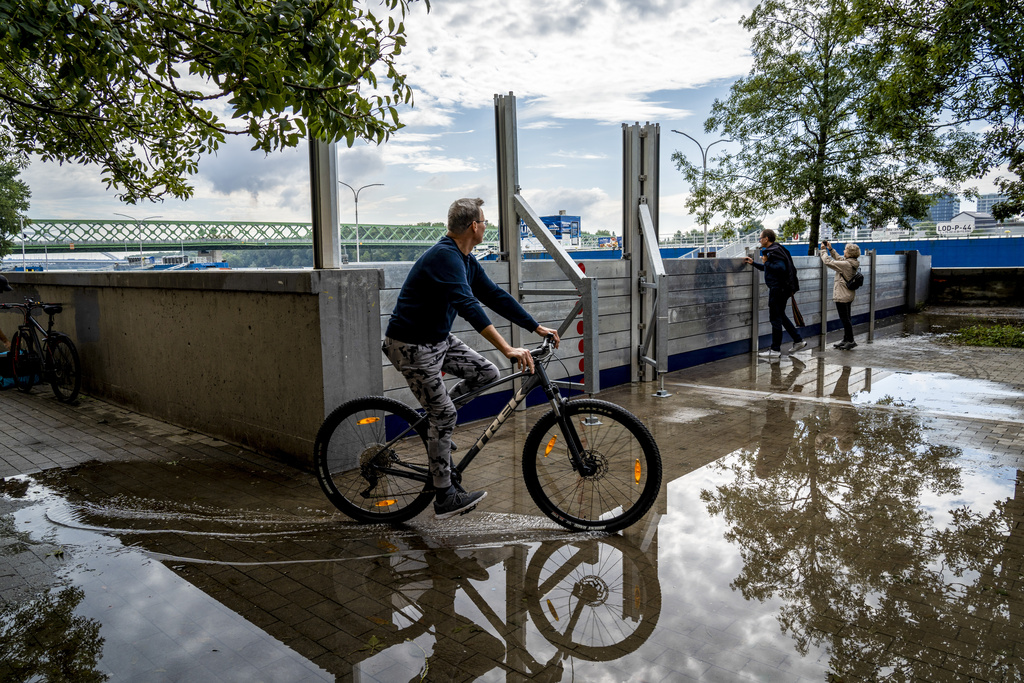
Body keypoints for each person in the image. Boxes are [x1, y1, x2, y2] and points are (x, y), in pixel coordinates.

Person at [383, 198, 560, 519]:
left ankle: (437, 428)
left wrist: (535, 327)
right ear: (473, 226)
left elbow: (494, 295)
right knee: (445, 416)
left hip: (437, 339)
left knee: (486, 374)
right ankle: (444, 496)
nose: (487, 225)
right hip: (411, 345)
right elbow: (468, 304)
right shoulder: (444, 257)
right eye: (485, 221)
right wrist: (508, 348)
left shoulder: (465, 259)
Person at [743, 229, 807, 360]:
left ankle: (775, 350)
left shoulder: (773, 251)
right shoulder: (778, 249)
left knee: (775, 318)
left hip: (778, 290)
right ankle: (798, 340)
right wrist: (754, 263)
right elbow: (771, 268)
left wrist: (766, 262)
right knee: (780, 316)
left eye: (760, 238)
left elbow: (780, 268)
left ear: (766, 239)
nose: (759, 241)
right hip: (783, 289)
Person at [819, 240, 861, 349]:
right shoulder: (852, 262)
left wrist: (823, 251)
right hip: (848, 294)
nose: (844, 251)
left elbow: (828, 262)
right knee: (847, 318)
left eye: (845, 250)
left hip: (842, 295)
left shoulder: (846, 265)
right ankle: (846, 339)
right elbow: (839, 259)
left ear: (849, 253)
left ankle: (850, 340)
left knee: (845, 319)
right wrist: (831, 250)